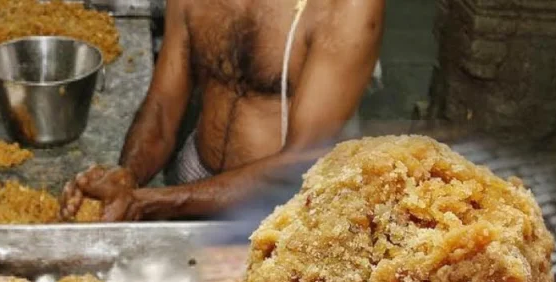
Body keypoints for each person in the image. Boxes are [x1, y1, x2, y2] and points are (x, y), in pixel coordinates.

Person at [61, 0, 385, 222]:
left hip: (288, 208)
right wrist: (126, 178)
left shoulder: (345, 7)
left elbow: (301, 163)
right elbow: (162, 106)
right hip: (194, 173)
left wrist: (155, 202)